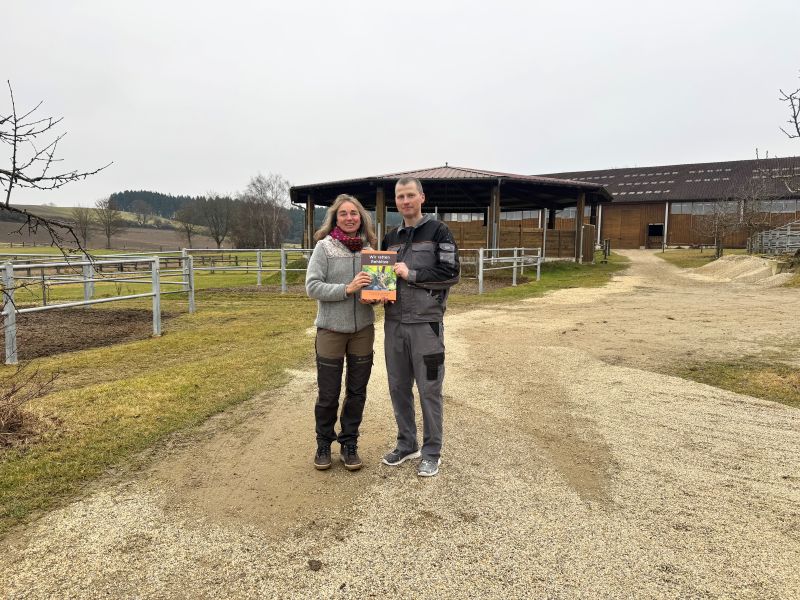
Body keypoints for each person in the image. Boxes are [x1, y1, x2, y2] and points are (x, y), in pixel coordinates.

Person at [380, 177, 459, 477]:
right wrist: (376, 292)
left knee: (429, 390)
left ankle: (431, 451)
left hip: (426, 326)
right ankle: (407, 443)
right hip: (394, 324)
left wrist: (410, 273)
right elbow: (385, 277)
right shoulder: (390, 238)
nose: (405, 201)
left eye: (410, 195)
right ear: (396, 201)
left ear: (421, 197)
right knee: (398, 387)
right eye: (400, 196)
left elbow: (451, 272)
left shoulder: (439, 231)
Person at [305, 194, 377, 471]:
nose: (349, 217)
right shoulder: (324, 248)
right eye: (344, 213)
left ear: (361, 217)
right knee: (328, 393)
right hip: (331, 330)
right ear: (335, 217)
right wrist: (346, 289)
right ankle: (324, 442)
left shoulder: (370, 250)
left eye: (354, 213)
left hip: (363, 330)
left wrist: (378, 296)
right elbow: (312, 287)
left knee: (357, 392)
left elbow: (377, 287)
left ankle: (349, 442)